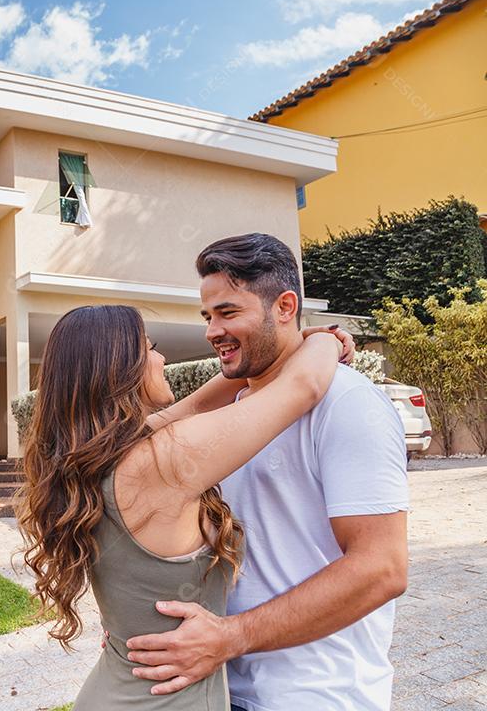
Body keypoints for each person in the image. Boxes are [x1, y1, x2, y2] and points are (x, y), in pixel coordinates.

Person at [16, 297, 350, 709]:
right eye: (150, 348)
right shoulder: (160, 462)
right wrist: (328, 341)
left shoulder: (96, 457)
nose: (161, 359)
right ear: (122, 369)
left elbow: (196, 405)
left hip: (116, 691)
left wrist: (288, 344)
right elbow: (303, 386)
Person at [124, 233, 409, 711]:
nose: (212, 331)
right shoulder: (235, 414)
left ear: (285, 306)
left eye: (228, 312)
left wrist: (231, 636)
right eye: (208, 316)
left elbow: (381, 568)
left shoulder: (348, 403)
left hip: (316, 694)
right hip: (222, 684)